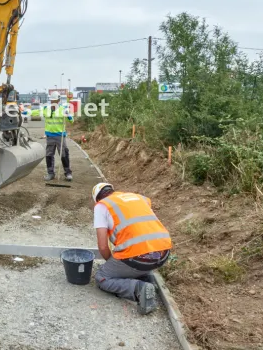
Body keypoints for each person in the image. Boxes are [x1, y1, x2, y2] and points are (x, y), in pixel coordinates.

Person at [91, 182, 172, 315]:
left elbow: (103, 246)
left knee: (102, 277)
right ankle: (146, 279)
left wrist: (112, 263)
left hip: (137, 258)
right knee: (135, 263)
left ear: (97, 199)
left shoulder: (102, 206)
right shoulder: (138, 198)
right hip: (163, 254)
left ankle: (139, 289)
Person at [29, 93, 73, 181]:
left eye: (55, 100)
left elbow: (71, 120)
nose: (53, 102)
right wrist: (24, 111)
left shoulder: (63, 109)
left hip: (60, 136)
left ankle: (68, 173)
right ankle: (50, 173)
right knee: (49, 155)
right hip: (49, 136)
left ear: (58, 100)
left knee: (64, 155)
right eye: (52, 100)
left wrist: (68, 115)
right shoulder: (46, 109)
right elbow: (35, 112)